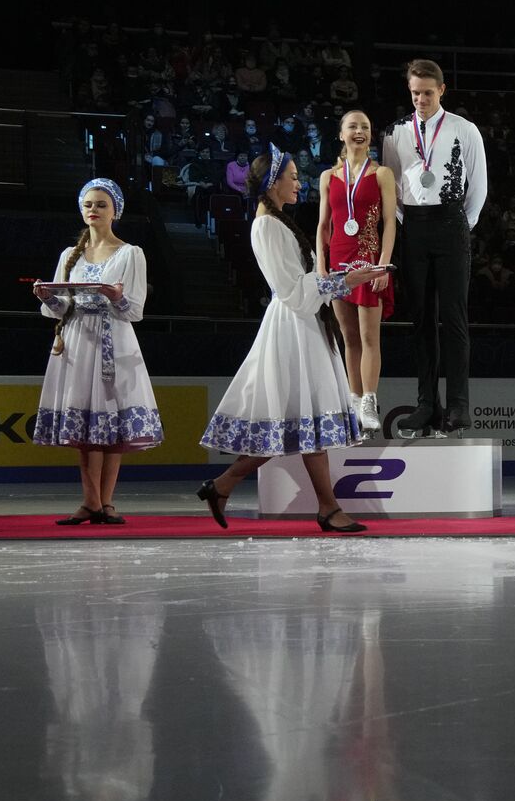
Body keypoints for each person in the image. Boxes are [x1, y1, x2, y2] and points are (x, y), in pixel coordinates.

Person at [197, 146, 386, 533]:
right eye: (294, 177)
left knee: (299, 423)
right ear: (273, 183)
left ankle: (227, 485)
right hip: (293, 326)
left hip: (302, 323)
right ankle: (326, 507)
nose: (299, 183)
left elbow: (301, 286)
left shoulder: (275, 222)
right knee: (301, 419)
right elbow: (292, 291)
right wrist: (343, 281)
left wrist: (342, 279)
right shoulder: (267, 226)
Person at [32, 179, 163, 525]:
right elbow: (62, 308)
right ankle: (92, 501)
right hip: (78, 341)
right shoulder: (69, 255)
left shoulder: (130, 254)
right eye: (88, 204)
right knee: (85, 427)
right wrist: (48, 297)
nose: (93, 210)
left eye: (101, 204)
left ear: (115, 211)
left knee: (111, 425)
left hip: (114, 339)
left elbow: (135, 310)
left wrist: (116, 297)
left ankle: (105, 502)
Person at [382, 59, 488, 437]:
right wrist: (409, 223)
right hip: (413, 225)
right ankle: (427, 403)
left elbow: (478, 185)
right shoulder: (395, 132)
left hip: (452, 223)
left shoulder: (464, 129)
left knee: (454, 317)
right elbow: (391, 185)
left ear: (442, 90)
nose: (421, 100)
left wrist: (461, 225)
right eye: (415, 93)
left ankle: (459, 404)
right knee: (421, 320)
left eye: (428, 93)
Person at [317, 110, 396, 438]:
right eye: (353, 126)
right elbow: (324, 225)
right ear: (341, 134)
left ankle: (369, 400)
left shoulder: (381, 174)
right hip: (338, 262)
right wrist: (321, 266)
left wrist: (384, 265)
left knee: (368, 337)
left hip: (368, 262)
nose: (359, 131)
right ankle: (353, 400)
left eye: (365, 126)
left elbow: (389, 222)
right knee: (348, 338)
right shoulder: (328, 176)